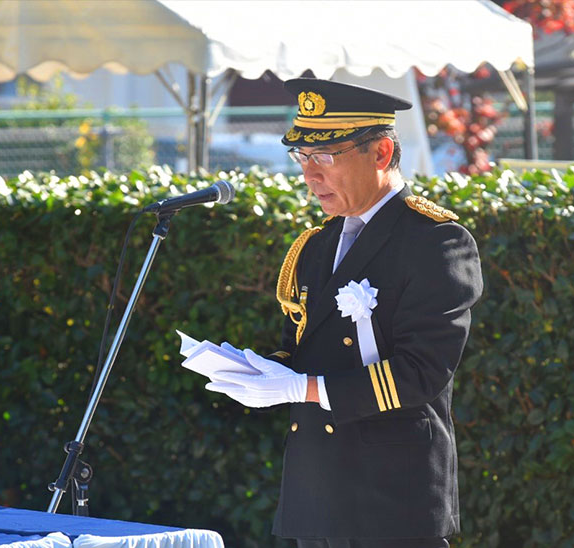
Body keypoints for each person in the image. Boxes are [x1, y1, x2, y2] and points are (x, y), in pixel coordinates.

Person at [206, 78, 483, 548]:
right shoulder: (316, 245)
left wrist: (303, 387)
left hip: (389, 498)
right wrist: (259, 371)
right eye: (302, 157)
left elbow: (421, 372)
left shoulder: (435, 240)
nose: (310, 175)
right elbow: (311, 350)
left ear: (380, 153)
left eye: (325, 157)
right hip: (316, 492)